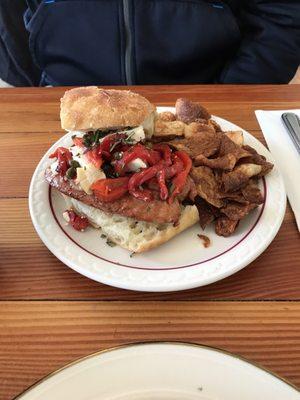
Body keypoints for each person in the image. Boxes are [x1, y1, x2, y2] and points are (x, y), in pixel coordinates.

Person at [0, 0, 299, 86]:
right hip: (65, 96)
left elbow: (282, 16)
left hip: (208, 93)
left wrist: (235, 92)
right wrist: (35, 88)